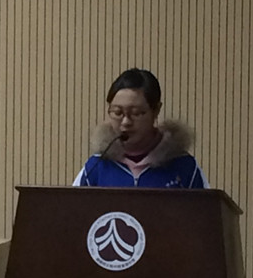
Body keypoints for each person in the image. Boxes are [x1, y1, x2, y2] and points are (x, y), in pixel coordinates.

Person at [73, 68, 208, 188]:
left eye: (136, 113)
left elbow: (207, 208)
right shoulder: (96, 166)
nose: (126, 122)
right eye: (118, 113)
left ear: (156, 110)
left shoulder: (184, 166)